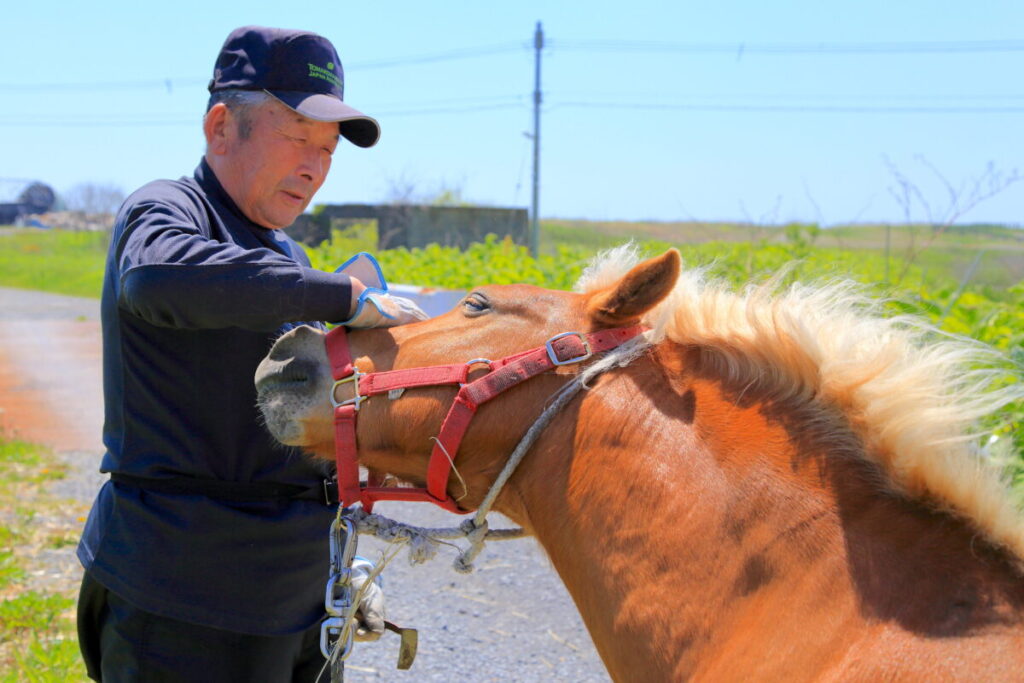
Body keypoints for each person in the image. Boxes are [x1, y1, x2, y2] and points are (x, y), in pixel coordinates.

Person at [75, 26, 425, 682]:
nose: (316, 165)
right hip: (184, 602)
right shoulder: (168, 210)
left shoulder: (286, 256)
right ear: (220, 127)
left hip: (297, 603)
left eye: (328, 149)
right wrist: (339, 296)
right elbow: (156, 278)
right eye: (297, 135)